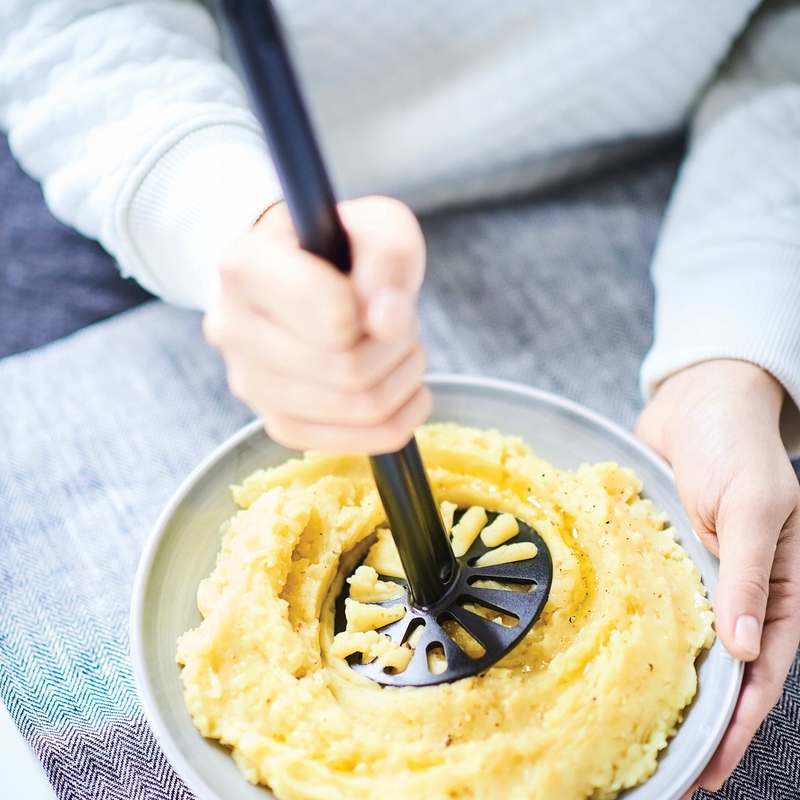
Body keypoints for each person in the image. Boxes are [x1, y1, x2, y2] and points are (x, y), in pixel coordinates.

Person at [2, 1, 799, 796]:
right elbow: (63, 23)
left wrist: (734, 353)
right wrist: (225, 216)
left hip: (675, 179)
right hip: (196, 172)